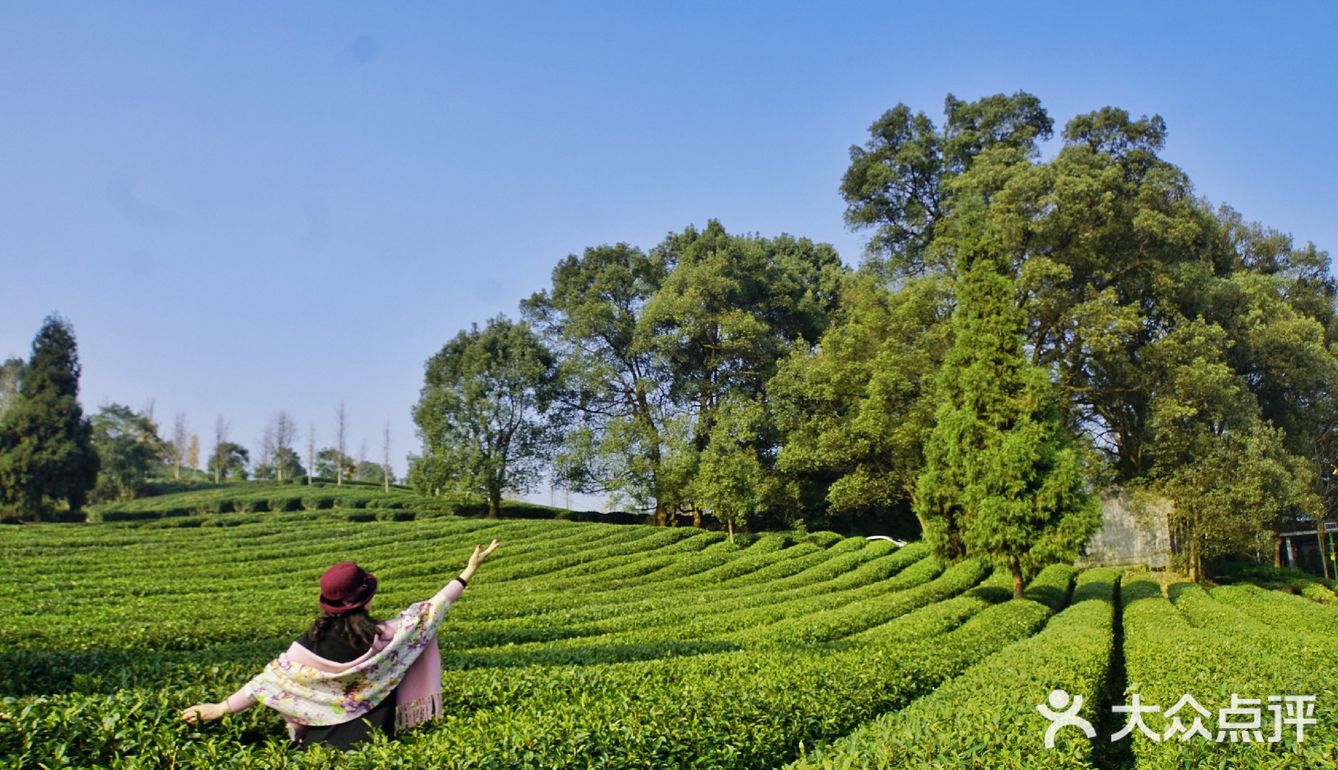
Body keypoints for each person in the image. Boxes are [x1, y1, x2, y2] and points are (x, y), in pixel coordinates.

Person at [180, 539, 500, 749]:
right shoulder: (385, 638)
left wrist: (220, 708)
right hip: (373, 745)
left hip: (320, 749)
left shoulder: (306, 647)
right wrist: (467, 573)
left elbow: (265, 684)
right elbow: (429, 612)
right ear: (366, 597)